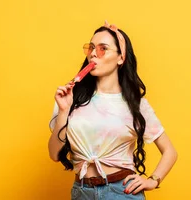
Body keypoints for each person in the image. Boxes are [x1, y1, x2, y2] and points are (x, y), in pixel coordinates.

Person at [48, 21, 178, 200]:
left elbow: (170, 151)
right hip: (81, 192)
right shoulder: (71, 99)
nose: (93, 53)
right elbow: (54, 154)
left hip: (121, 192)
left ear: (120, 58)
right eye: (91, 48)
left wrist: (153, 180)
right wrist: (63, 111)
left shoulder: (135, 104)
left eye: (103, 49)